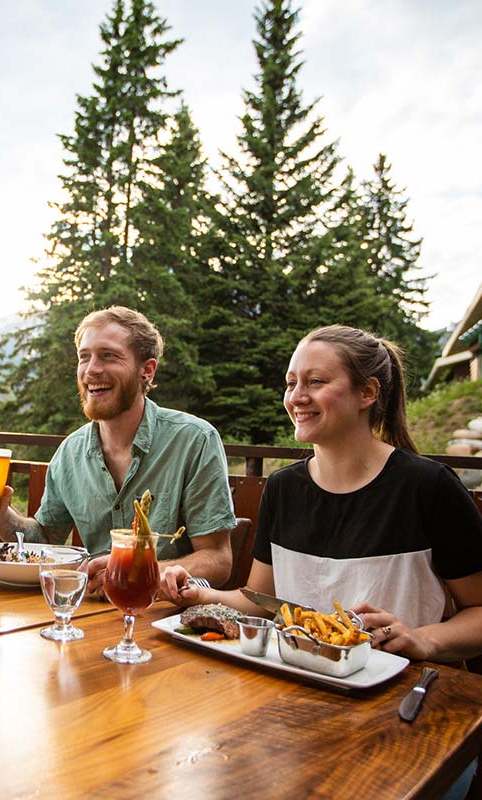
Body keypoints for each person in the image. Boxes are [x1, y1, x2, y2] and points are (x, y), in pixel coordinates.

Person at [168, 323, 482, 800]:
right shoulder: (284, 490)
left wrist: (423, 638)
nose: (297, 395)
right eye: (291, 382)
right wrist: (200, 592)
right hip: (297, 705)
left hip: (406, 716)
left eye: (315, 382)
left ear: (368, 393)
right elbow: (265, 603)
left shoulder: (428, 488)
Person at [0, 306, 236, 597]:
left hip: (166, 618)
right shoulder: (70, 453)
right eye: (84, 356)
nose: (91, 369)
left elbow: (217, 560)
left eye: (109, 355)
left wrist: (135, 574)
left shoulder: (194, 440)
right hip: (88, 615)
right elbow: (45, 540)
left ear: (147, 370)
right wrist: (1, 517)